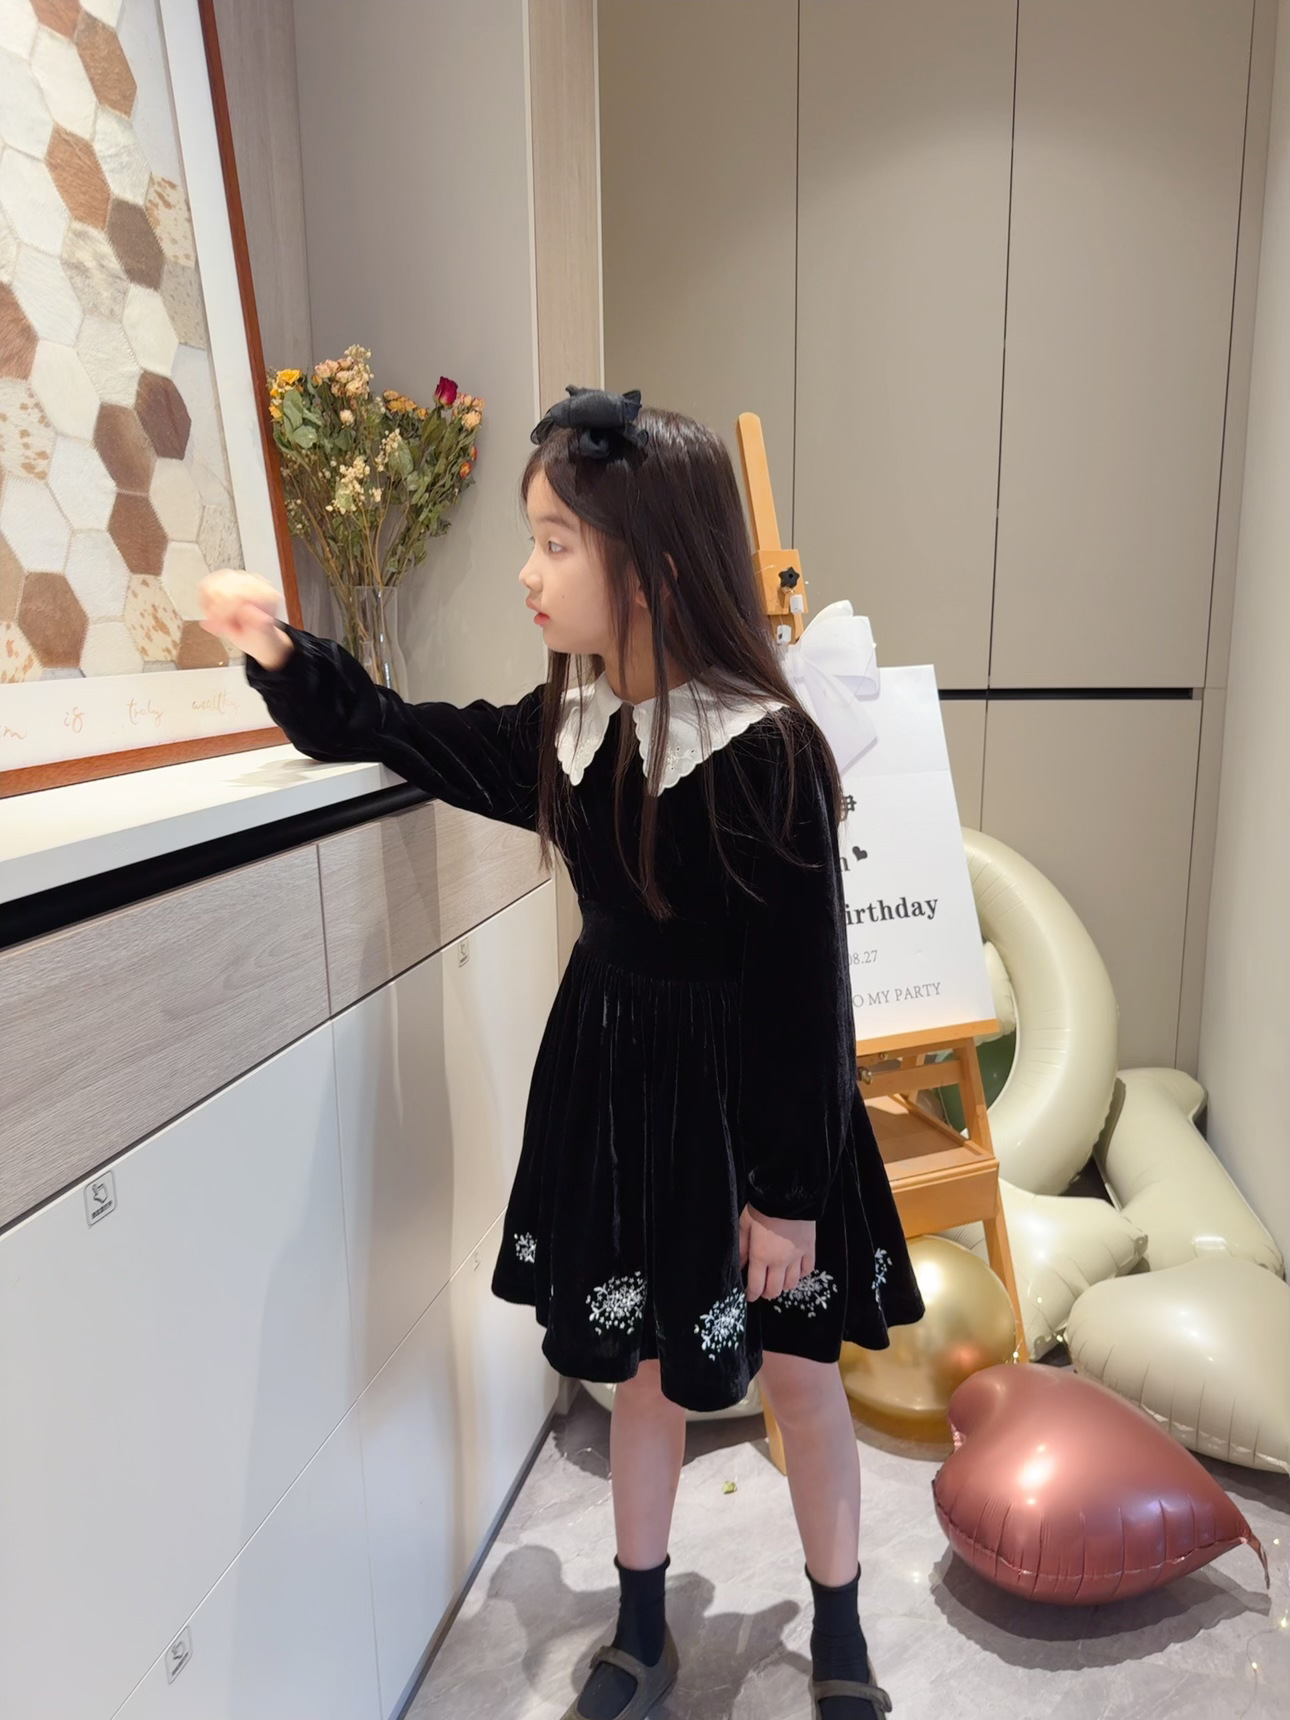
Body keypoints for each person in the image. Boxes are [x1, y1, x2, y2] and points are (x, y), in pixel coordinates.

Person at [199, 388, 923, 1720]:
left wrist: (786, 1196)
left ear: (651, 568)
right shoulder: (568, 728)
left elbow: (805, 997)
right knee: (640, 1376)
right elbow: (395, 729)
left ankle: (839, 1633)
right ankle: (640, 1630)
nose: (527, 577)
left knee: (802, 1378)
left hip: (756, 1126)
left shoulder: (766, 751)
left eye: (552, 544)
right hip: (625, 1105)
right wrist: (281, 653)